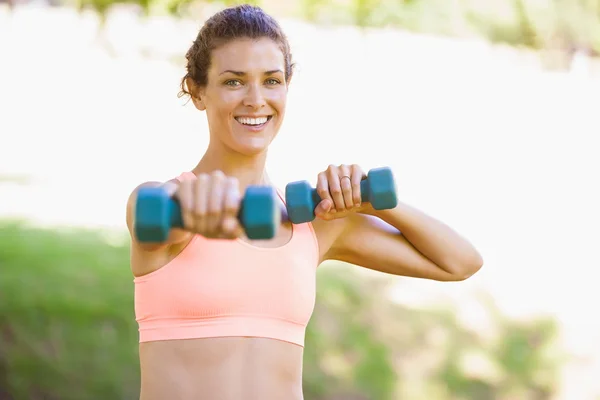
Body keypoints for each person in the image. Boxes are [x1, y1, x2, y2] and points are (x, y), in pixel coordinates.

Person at [125, 4, 483, 400]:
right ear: (197, 90)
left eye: (272, 81)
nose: (256, 100)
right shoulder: (161, 203)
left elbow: (460, 263)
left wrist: (371, 201)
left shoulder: (314, 223)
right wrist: (199, 211)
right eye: (233, 82)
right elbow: (154, 219)